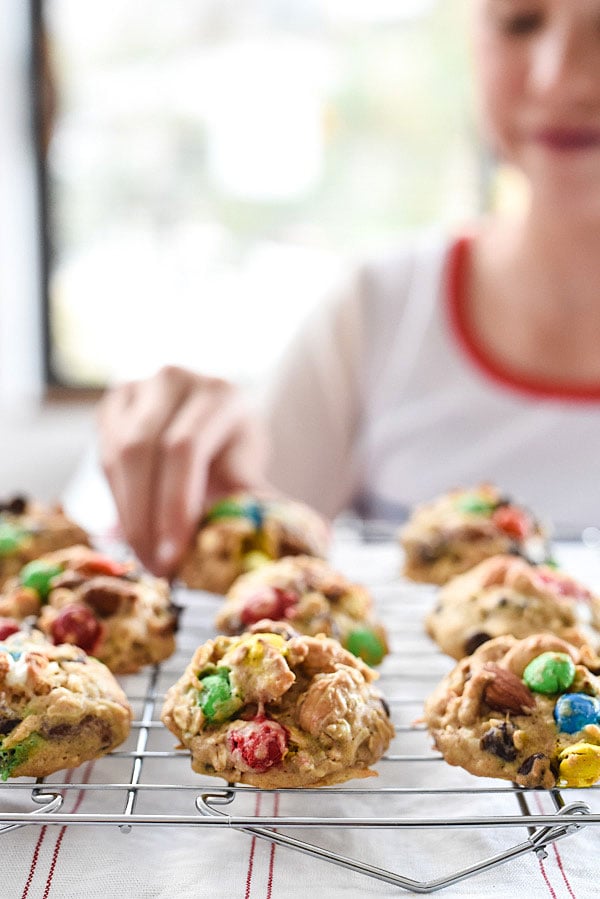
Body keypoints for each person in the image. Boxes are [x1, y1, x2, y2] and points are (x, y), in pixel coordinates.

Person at [97, 0, 600, 577]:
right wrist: (199, 476)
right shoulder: (380, 310)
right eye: (519, 22)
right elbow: (235, 543)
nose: (561, 77)